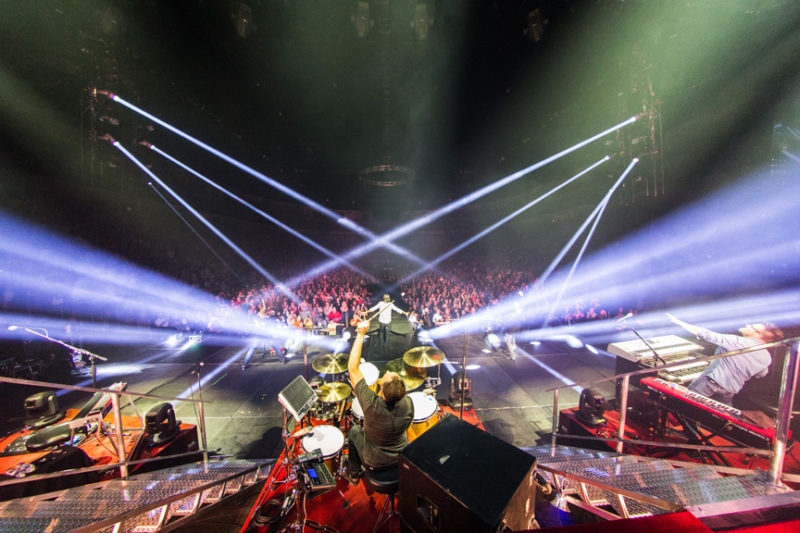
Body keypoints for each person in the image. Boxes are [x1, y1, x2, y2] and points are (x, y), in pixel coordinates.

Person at [344, 320, 413, 485]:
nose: (388, 371)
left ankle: (354, 474)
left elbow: (353, 369)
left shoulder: (371, 405)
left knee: (354, 431)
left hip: (375, 461)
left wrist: (361, 334)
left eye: (387, 375)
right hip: (401, 454)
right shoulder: (408, 403)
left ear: (381, 393)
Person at [667, 313, 783, 405]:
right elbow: (761, 374)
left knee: (684, 406)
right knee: (721, 419)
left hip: (709, 383)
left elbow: (705, 334)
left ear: (758, 335)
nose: (747, 325)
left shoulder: (737, 342)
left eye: (752, 327)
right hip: (730, 391)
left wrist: (677, 321)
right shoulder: (767, 357)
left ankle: (689, 433)